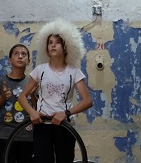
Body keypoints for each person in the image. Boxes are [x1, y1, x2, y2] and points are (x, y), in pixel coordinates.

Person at [16, 20, 93, 163]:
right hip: (42, 126)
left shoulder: (74, 72)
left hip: (64, 126)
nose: (53, 44)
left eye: (57, 42)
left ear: (66, 46)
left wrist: (66, 113)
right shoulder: (40, 70)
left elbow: (88, 101)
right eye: (50, 42)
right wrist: (32, 112)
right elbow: (22, 96)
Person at [0, 44, 35, 163]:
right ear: (10, 60)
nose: (20, 56)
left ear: (28, 61)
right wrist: (2, 97)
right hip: (6, 136)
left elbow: (39, 109)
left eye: (24, 54)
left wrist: (33, 94)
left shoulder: (32, 82)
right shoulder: (1, 81)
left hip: (28, 136)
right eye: (16, 54)